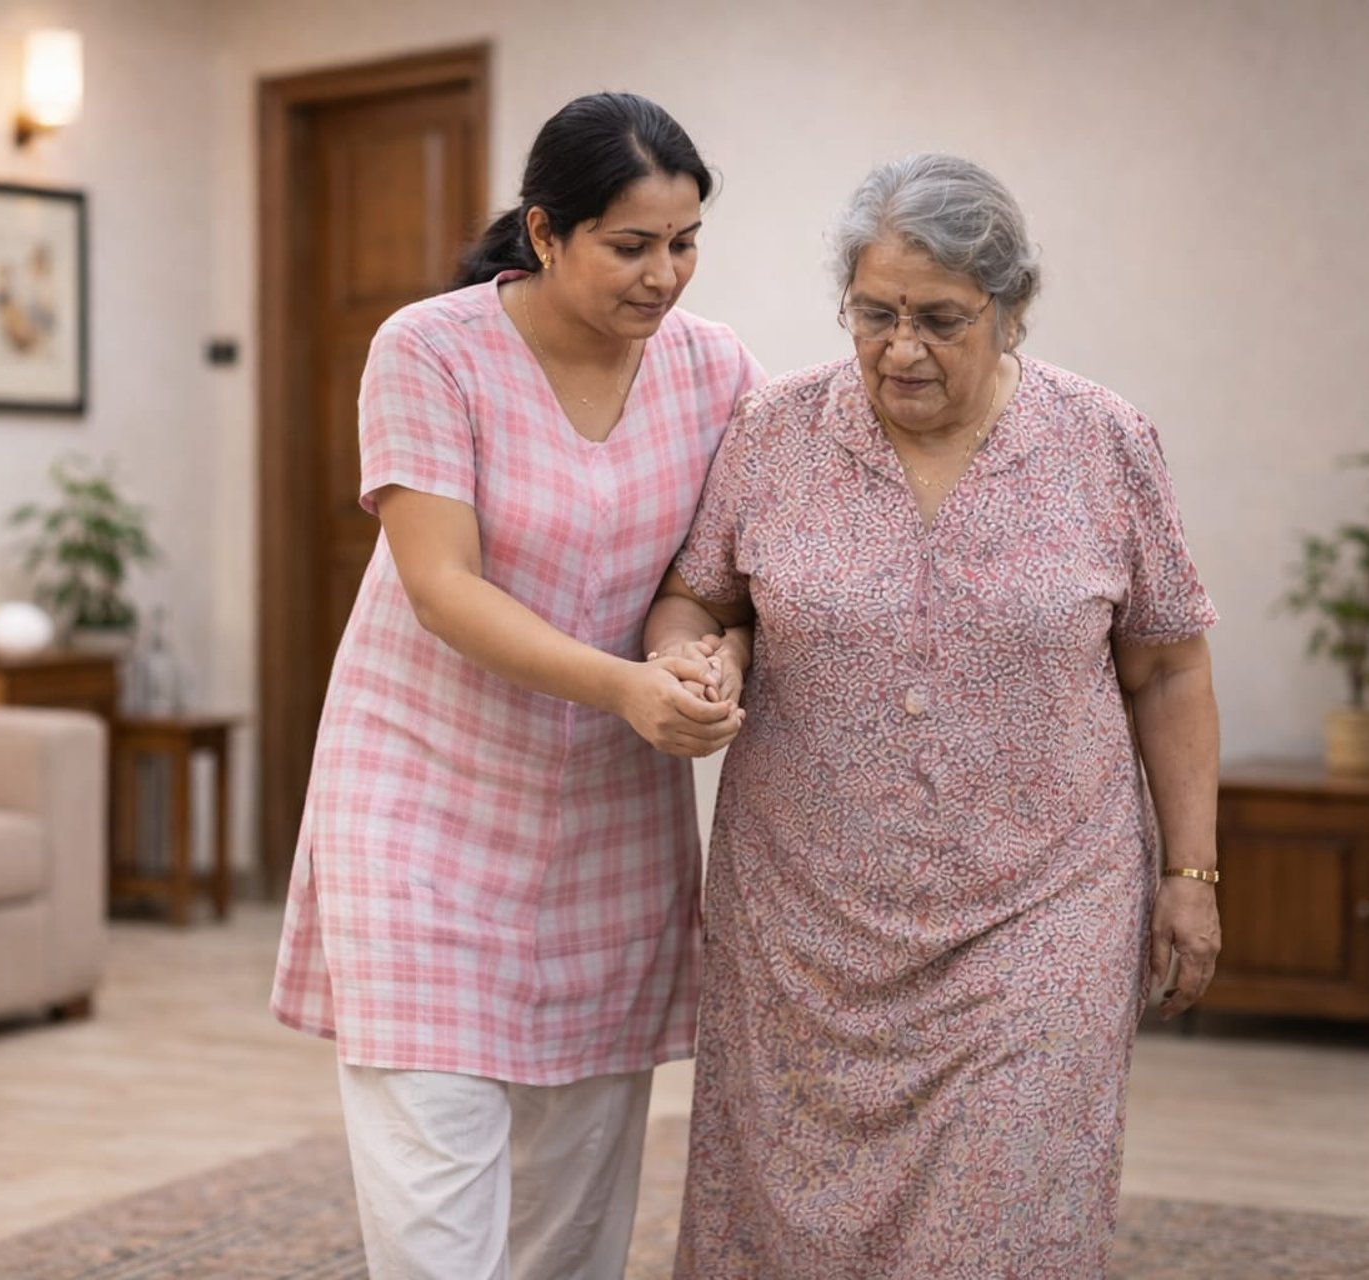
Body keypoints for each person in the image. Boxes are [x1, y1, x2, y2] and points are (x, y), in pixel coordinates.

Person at [650, 153, 1223, 1277]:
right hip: (805, 921)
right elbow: (697, 595)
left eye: (941, 319)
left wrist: (1191, 876)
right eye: (875, 314)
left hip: (1042, 907)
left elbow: (1167, 668)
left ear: (1010, 311)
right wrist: (686, 659)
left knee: (1010, 1214)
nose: (901, 348)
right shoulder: (774, 435)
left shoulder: (1103, 441)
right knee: (788, 1224)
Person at [270, 91, 764, 1278]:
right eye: (631, 245)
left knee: (574, 1217)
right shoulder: (429, 348)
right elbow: (442, 585)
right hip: (419, 804)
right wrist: (625, 686)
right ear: (545, 234)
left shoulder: (715, 370)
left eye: (685, 242)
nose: (666, 276)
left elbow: (721, 578)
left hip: (606, 818)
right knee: (437, 1219)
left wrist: (706, 657)